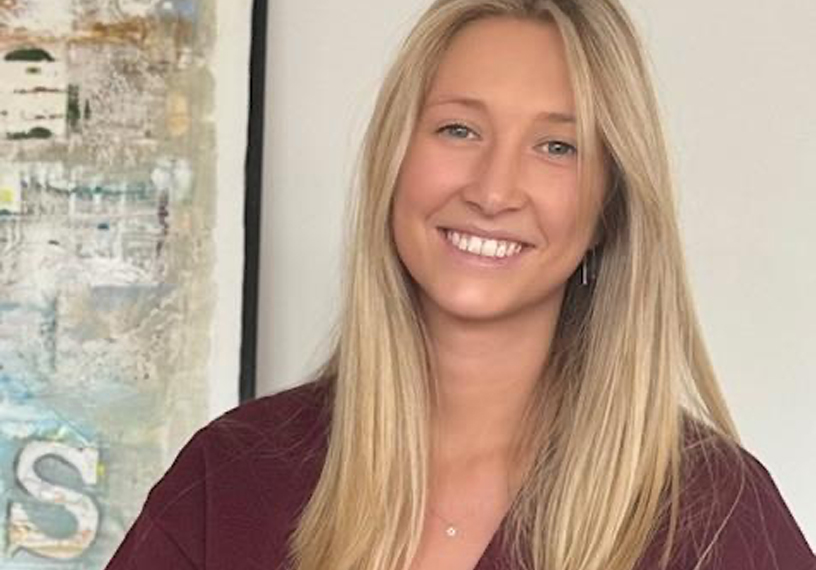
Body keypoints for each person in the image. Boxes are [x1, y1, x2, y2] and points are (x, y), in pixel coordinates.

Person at [106, 0, 815, 569]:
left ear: (609, 207)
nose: (493, 190)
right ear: (393, 159)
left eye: (558, 147)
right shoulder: (230, 477)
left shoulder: (717, 516)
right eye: (458, 130)